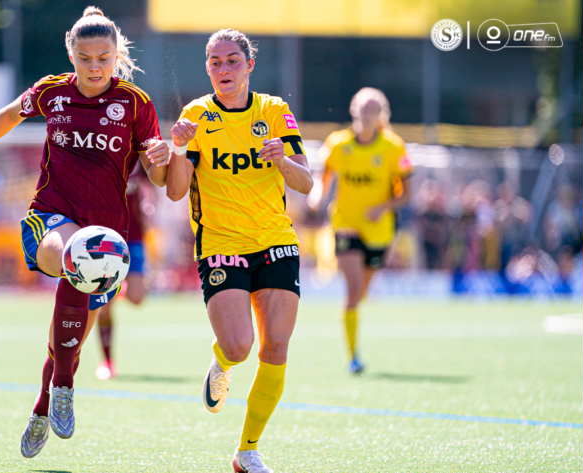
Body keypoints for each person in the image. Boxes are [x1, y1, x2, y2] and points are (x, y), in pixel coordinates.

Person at [0, 7, 169, 459]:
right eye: (84, 58)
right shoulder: (53, 93)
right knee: (74, 257)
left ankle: (45, 402)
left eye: (103, 58)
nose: (94, 67)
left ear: (117, 55)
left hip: (111, 235)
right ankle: (66, 385)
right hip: (51, 216)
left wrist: (162, 158)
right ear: (71, 55)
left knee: (66, 337)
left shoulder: (136, 104)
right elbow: (10, 115)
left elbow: (156, 175)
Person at [165, 29, 313, 473]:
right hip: (221, 243)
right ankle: (222, 360)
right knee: (239, 345)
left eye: (232, 61)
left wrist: (281, 161)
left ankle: (247, 451)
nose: (223, 69)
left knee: (277, 349)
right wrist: (177, 147)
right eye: (215, 62)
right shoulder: (195, 115)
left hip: (275, 240)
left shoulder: (274, 110)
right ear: (207, 68)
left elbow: (306, 182)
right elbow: (175, 193)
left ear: (250, 65)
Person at [314, 88, 413, 374]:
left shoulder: (394, 147)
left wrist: (383, 208)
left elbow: (406, 193)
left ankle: (353, 331)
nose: (367, 115)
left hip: (379, 231)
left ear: (381, 114)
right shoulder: (338, 143)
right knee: (353, 290)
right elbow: (326, 175)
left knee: (361, 293)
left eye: (373, 110)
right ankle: (353, 356)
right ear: (354, 110)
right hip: (346, 223)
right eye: (362, 109)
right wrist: (318, 196)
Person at [95, 162, 152, 380]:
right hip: (104, 236)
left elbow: (152, 184)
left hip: (134, 233)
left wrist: (149, 206)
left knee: (137, 298)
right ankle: (107, 361)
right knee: (104, 306)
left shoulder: (139, 154)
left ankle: (119, 287)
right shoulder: (103, 149)